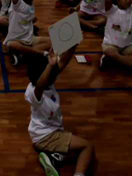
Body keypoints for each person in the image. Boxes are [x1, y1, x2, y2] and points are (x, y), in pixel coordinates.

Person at [25, 45, 94, 176]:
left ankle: (53, 158)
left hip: (43, 134)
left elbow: (63, 62)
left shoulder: (46, 83)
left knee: (75, 153)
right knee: (87, 147)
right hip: (46, 137)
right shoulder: (35, 93)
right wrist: (50, 65)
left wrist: (73, 45)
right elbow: (41, 84)